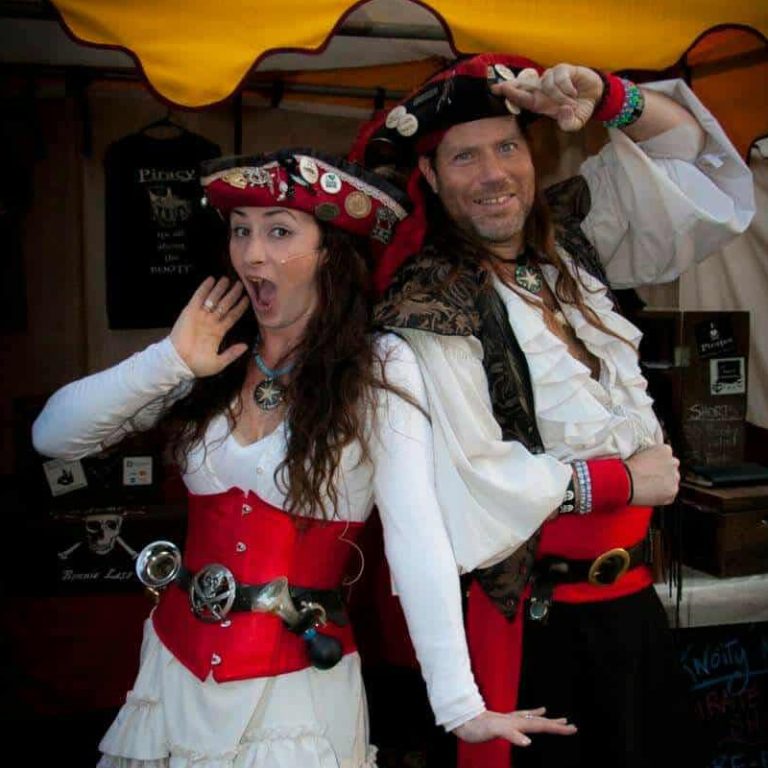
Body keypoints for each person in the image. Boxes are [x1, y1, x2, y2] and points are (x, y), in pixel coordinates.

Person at [31, 148, 576, 768]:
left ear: (330, 255)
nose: (252, 255)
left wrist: (459, 704)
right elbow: (54, 437)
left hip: (294, 692)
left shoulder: (380, 367)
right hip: (172, 674)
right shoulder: (213, 355)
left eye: (279, 232)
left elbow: (416, 533)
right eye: (241, 231)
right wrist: (171, 361)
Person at [351, 55, 755, 768]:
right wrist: (621, 482)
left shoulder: (568, 240)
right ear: (431, 177)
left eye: (507, 146)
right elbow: (469, 482)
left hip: (632, 607)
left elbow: (687, 156)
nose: (493, 173)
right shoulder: (429, 302)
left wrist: (610, 98)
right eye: (465, 157)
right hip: (533, 627)